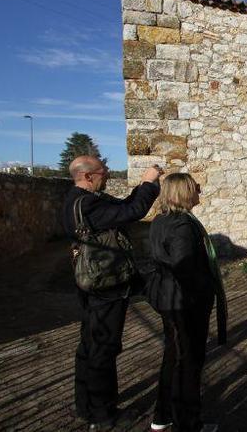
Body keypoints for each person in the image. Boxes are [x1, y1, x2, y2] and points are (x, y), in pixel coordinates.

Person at [61, 156, 163, 430]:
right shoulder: (89, 206)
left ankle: (86, 406)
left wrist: (143, 187)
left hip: (91, 284)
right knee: (103, 349)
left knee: (89, 347)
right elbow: (134, 212)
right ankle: (104, 414)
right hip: (106, 286)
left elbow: (126, 207)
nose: (106, 173)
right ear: (87, 176)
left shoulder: (79, 200)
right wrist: (149, 183)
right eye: (101, 171)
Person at [147, 173, 227, 432]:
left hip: (169, 298)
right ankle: (188, 423)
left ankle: (163, 415)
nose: (199, 193)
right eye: (195, 189)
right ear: (184, 193)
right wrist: (205, 290)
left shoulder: (161, 220)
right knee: (188, 362)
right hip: (184, 303)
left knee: (174, 356)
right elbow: (184, 268)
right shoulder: (182, 226)